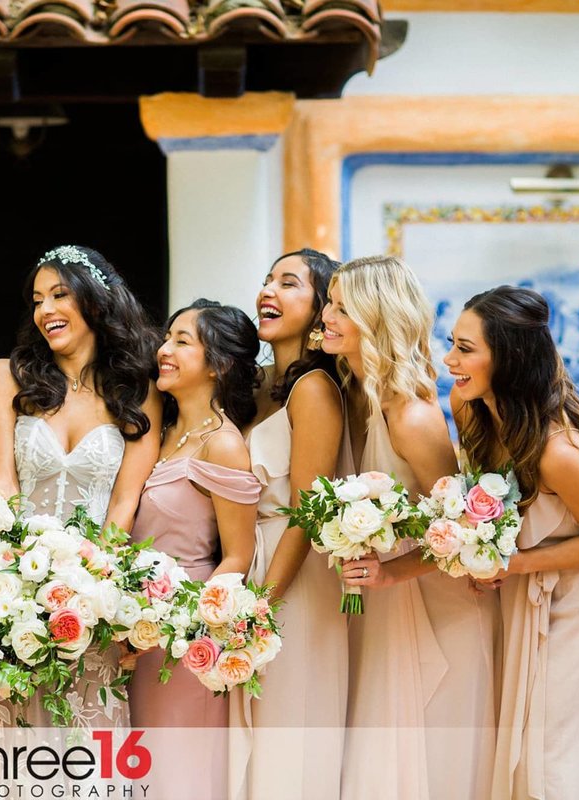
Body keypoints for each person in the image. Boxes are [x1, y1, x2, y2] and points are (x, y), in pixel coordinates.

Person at [444, 286, 579, 799]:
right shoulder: (471, 412)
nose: (450, 360)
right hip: (530, 589)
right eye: (452, 343)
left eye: (465, 348)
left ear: (507, 359)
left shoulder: (557, 451)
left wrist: (515, 562)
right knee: (525, 742)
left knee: (563, 753)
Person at [325, 255, 499, 800]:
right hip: (386, 600)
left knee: (434, 763)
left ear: (376, 316)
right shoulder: (357, 394)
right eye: (328, 303)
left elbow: (460, 534)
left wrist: (389, 572)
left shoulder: (412, 416)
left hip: (438, 608)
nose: (326, 316)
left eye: (340, 306)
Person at [0, 244, 161, 729]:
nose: (45, 311)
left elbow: (125, 502)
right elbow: (1, 485)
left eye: (59, 295)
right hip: (12, 592)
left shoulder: (138, 389)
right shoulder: (4, 377)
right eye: (37, 299)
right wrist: (14, 583)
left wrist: (89, 588)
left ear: (96, 302)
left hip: (93, 599)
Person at [126, 300, 262, 800]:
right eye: (169, 337)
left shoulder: (222, 445)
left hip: (185, 642)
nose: (164, 350)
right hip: (138, 633)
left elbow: (237, 558)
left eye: (183, 341)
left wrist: (186, 625)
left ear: (219, 364)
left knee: (183, 777)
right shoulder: (161, 433)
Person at [232, 249, 351, 799]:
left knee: (289, 731)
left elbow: (308, 511)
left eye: (288, 283)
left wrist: (261, 607)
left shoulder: (316, 390)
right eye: (265, 281)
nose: (268, 291)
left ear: (321, 306)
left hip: (292, 577)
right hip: (245, 562)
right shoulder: (252, 384)